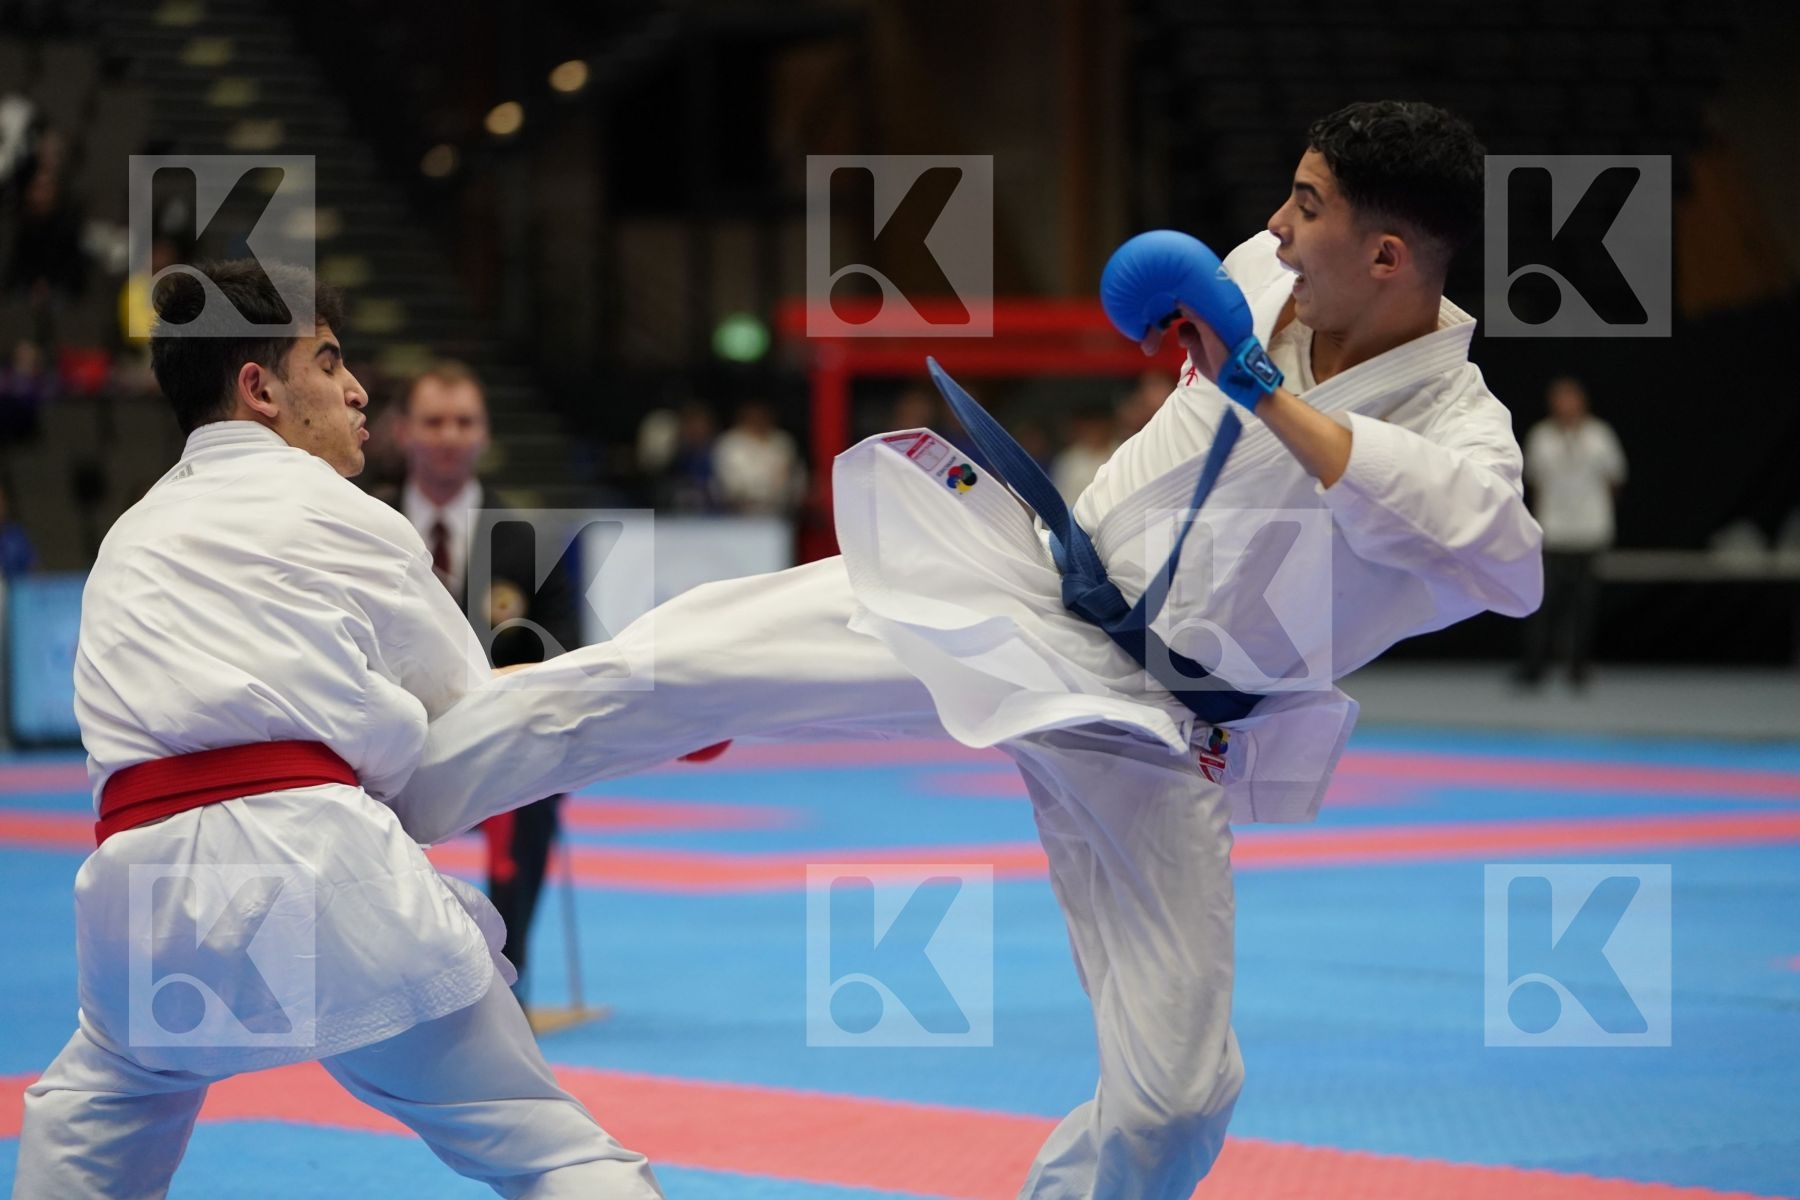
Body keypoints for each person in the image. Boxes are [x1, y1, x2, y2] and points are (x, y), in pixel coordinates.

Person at [386, 100, 1542, 1200]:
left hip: (1158, 733)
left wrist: (1261, 395)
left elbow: (1503, 557)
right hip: (1030, 591)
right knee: (694, 654)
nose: (1278, 227)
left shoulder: (1462, 430)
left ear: (1387, 257)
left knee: (1176, 1103)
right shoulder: (1257, 275)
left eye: (1307, 205)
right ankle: (390, 789)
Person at [12, 260, 661, 1198]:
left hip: (143, 900)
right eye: (330, 359)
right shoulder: (348, 515)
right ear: (260, 387)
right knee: (550, 1152)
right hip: (321, 870)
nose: (359, 389)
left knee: (91, 1121)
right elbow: (470, 715)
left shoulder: (125, 540)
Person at [376, 359, 580, 999]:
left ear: (485, 435)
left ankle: (508, 970)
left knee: (539, 787)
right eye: (433, 420)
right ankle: (379, 975)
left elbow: (565, 652)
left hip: (494, 744)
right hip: (379, 740)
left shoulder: (525, 538)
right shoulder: (361, 527)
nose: (448, 434)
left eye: (464, 421)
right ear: (403, 430)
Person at [1519, 376, 1626, 688]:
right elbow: (1534, 483)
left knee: (1584, 604)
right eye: (1559, 399)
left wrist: (1594, 510)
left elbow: (1614, 479)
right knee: (1542, 601)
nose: (1565, 405)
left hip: (1590, 531)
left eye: (1570, 399)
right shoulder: (1540, 437)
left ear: (1582, 401)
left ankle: (1578, 668)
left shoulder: (1600, 436)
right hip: (1552, 532)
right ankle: (1534, 667)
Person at [712, 399, 804, 516]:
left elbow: (793, 475)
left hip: (779, 510)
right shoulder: (730, 442)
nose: (758, 420)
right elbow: (727, 481)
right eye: (753, 416)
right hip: (738, 510)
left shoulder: (782, 441)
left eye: (762, 416)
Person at [1050, 403, 1116, 504]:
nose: (1094, 431)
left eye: (1098, 425)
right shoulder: (1068, 460)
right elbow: (1061, 500)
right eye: (1089, 426)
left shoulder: (1122, 451)